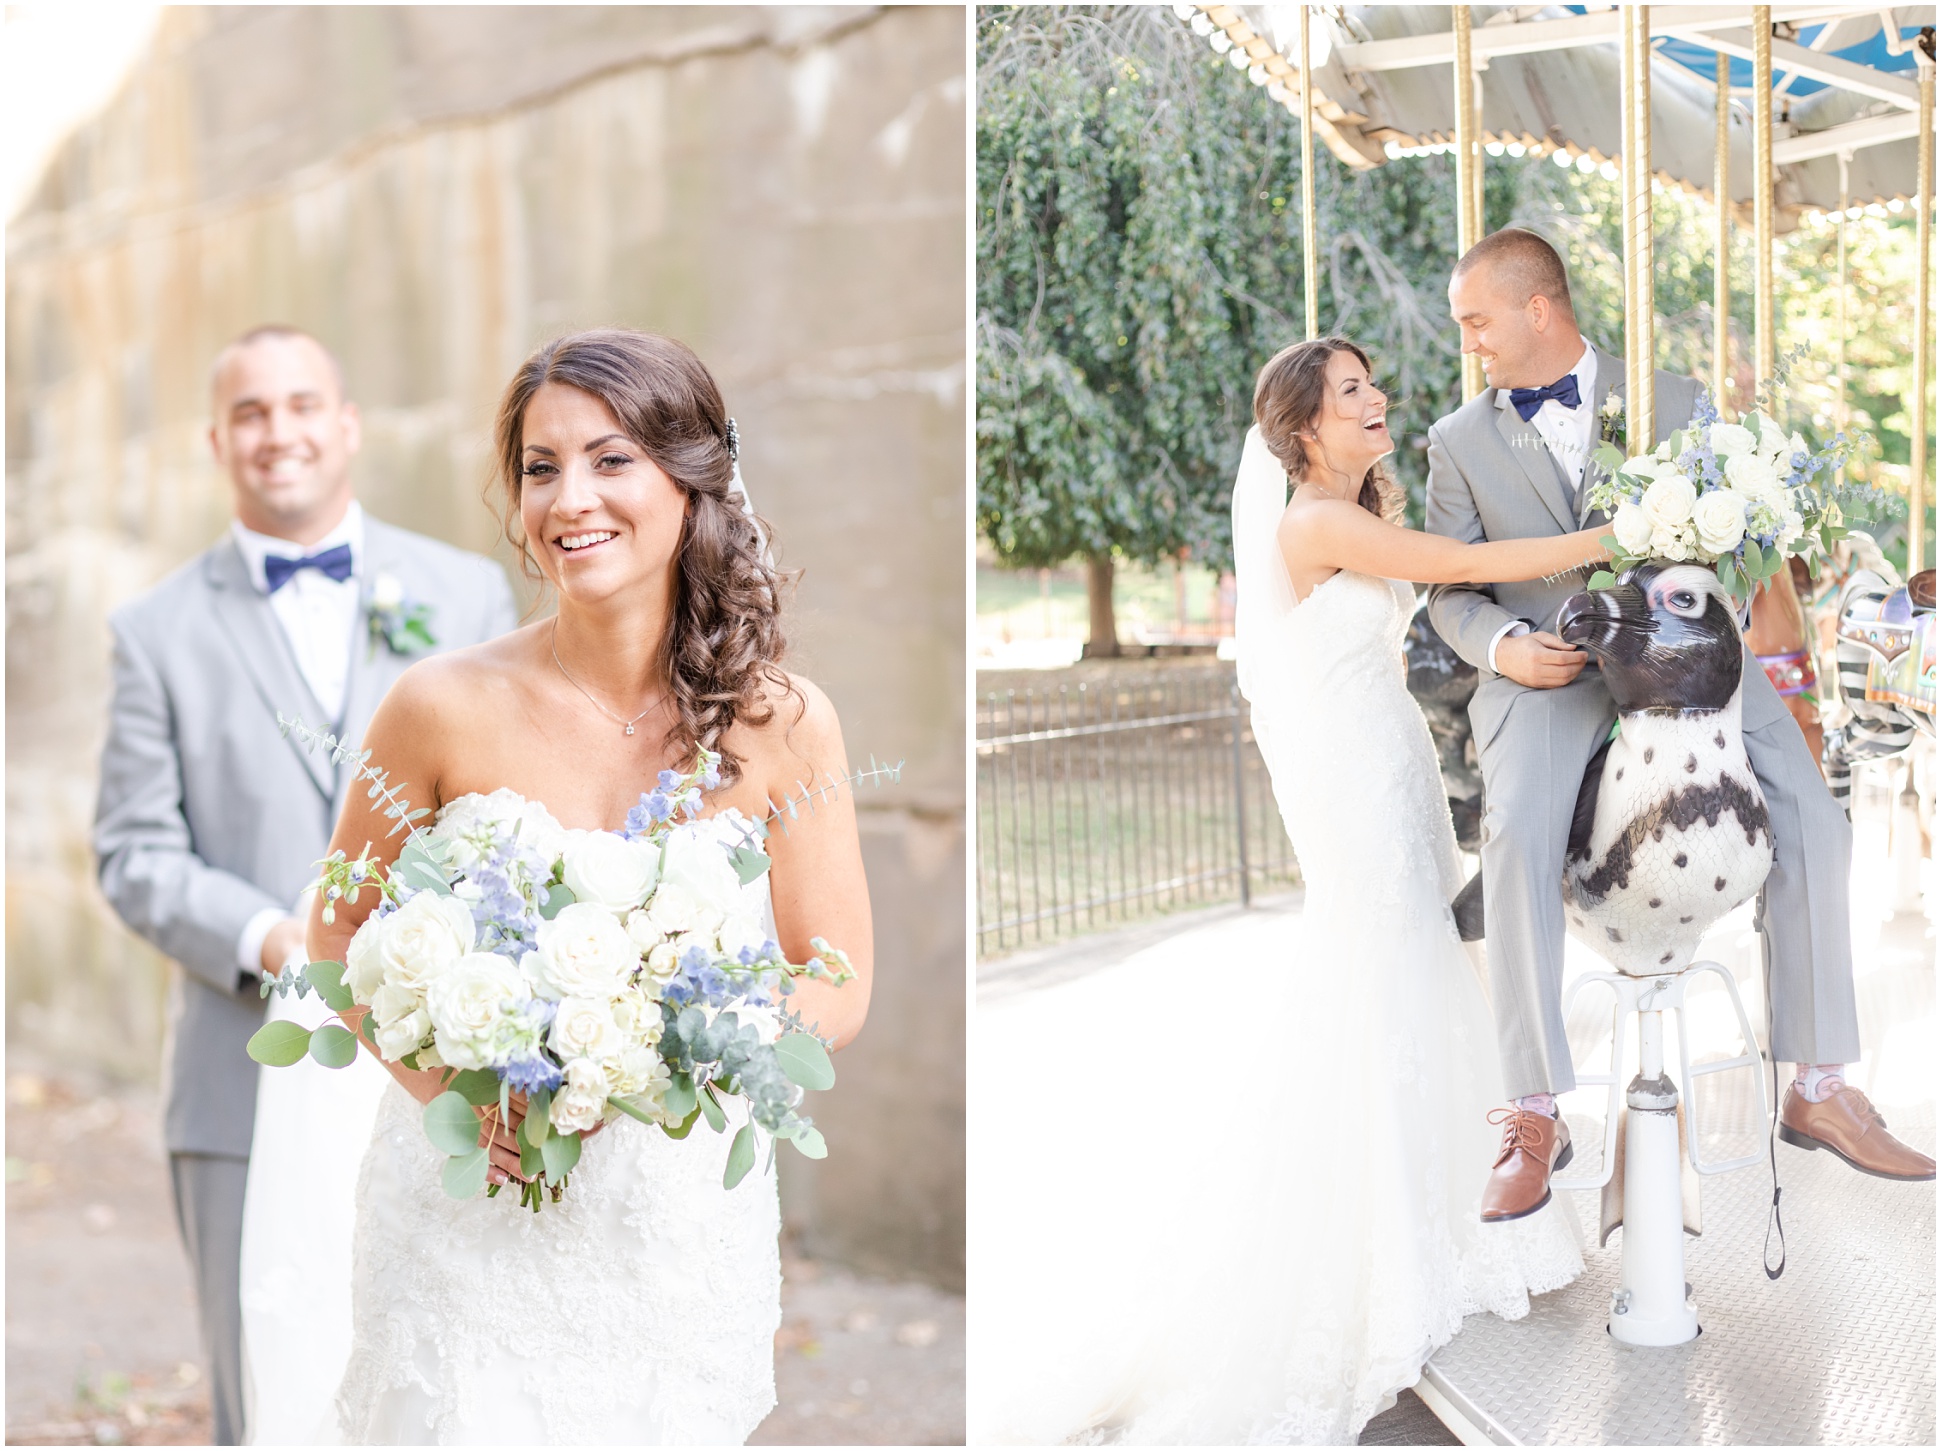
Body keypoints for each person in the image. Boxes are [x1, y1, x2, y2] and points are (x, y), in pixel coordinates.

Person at [975, 335, 1599, 1446]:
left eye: (1371, 384)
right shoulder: (1314, 518)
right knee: (1380, 958)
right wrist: (1609, 537)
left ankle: (1441, 1214)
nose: (1375, 400)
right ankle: (1377, 1252)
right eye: (1349, 391)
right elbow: (1454, 567)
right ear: (1303, 428)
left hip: (1387, 753)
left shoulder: (1344, 508)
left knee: (1416, 957)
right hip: (1347, 769)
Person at [306, 328, 874, 1444]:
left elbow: (836, 974)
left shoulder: (785, 725)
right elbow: (338, 938)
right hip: (470, 1210)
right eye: (540, 466)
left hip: (671, 1227)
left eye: (611, 459)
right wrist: (453, 1092)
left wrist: (687, 1045)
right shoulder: (437, 706)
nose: (572, 498)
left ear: (692, 477)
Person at [1424, 227, 1932, 1223]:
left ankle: (1819, 1079)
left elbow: (1745, 548)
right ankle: (1534, 1109)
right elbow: (1448, 587)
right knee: (1521, 827)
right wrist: (1504, 647)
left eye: (1478, 319)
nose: (1469, 341)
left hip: (1683, 660)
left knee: (1816, 822)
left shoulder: (1674, 398)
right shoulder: (1460, 441)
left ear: (1539, 308)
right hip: (1552, 667)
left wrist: (1716, 614)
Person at [92, 325, 519, 1445]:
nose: (278, 430)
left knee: (448, 1378)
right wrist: (277, 938)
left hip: (444, 1068)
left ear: (347, 425)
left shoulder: (467, 592)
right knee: (269, 1383)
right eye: (250, 411)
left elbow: (514, 813)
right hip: (243, 1073)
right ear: (217, 440)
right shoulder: (154, 631)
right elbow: (134, 850)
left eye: (299, 404)